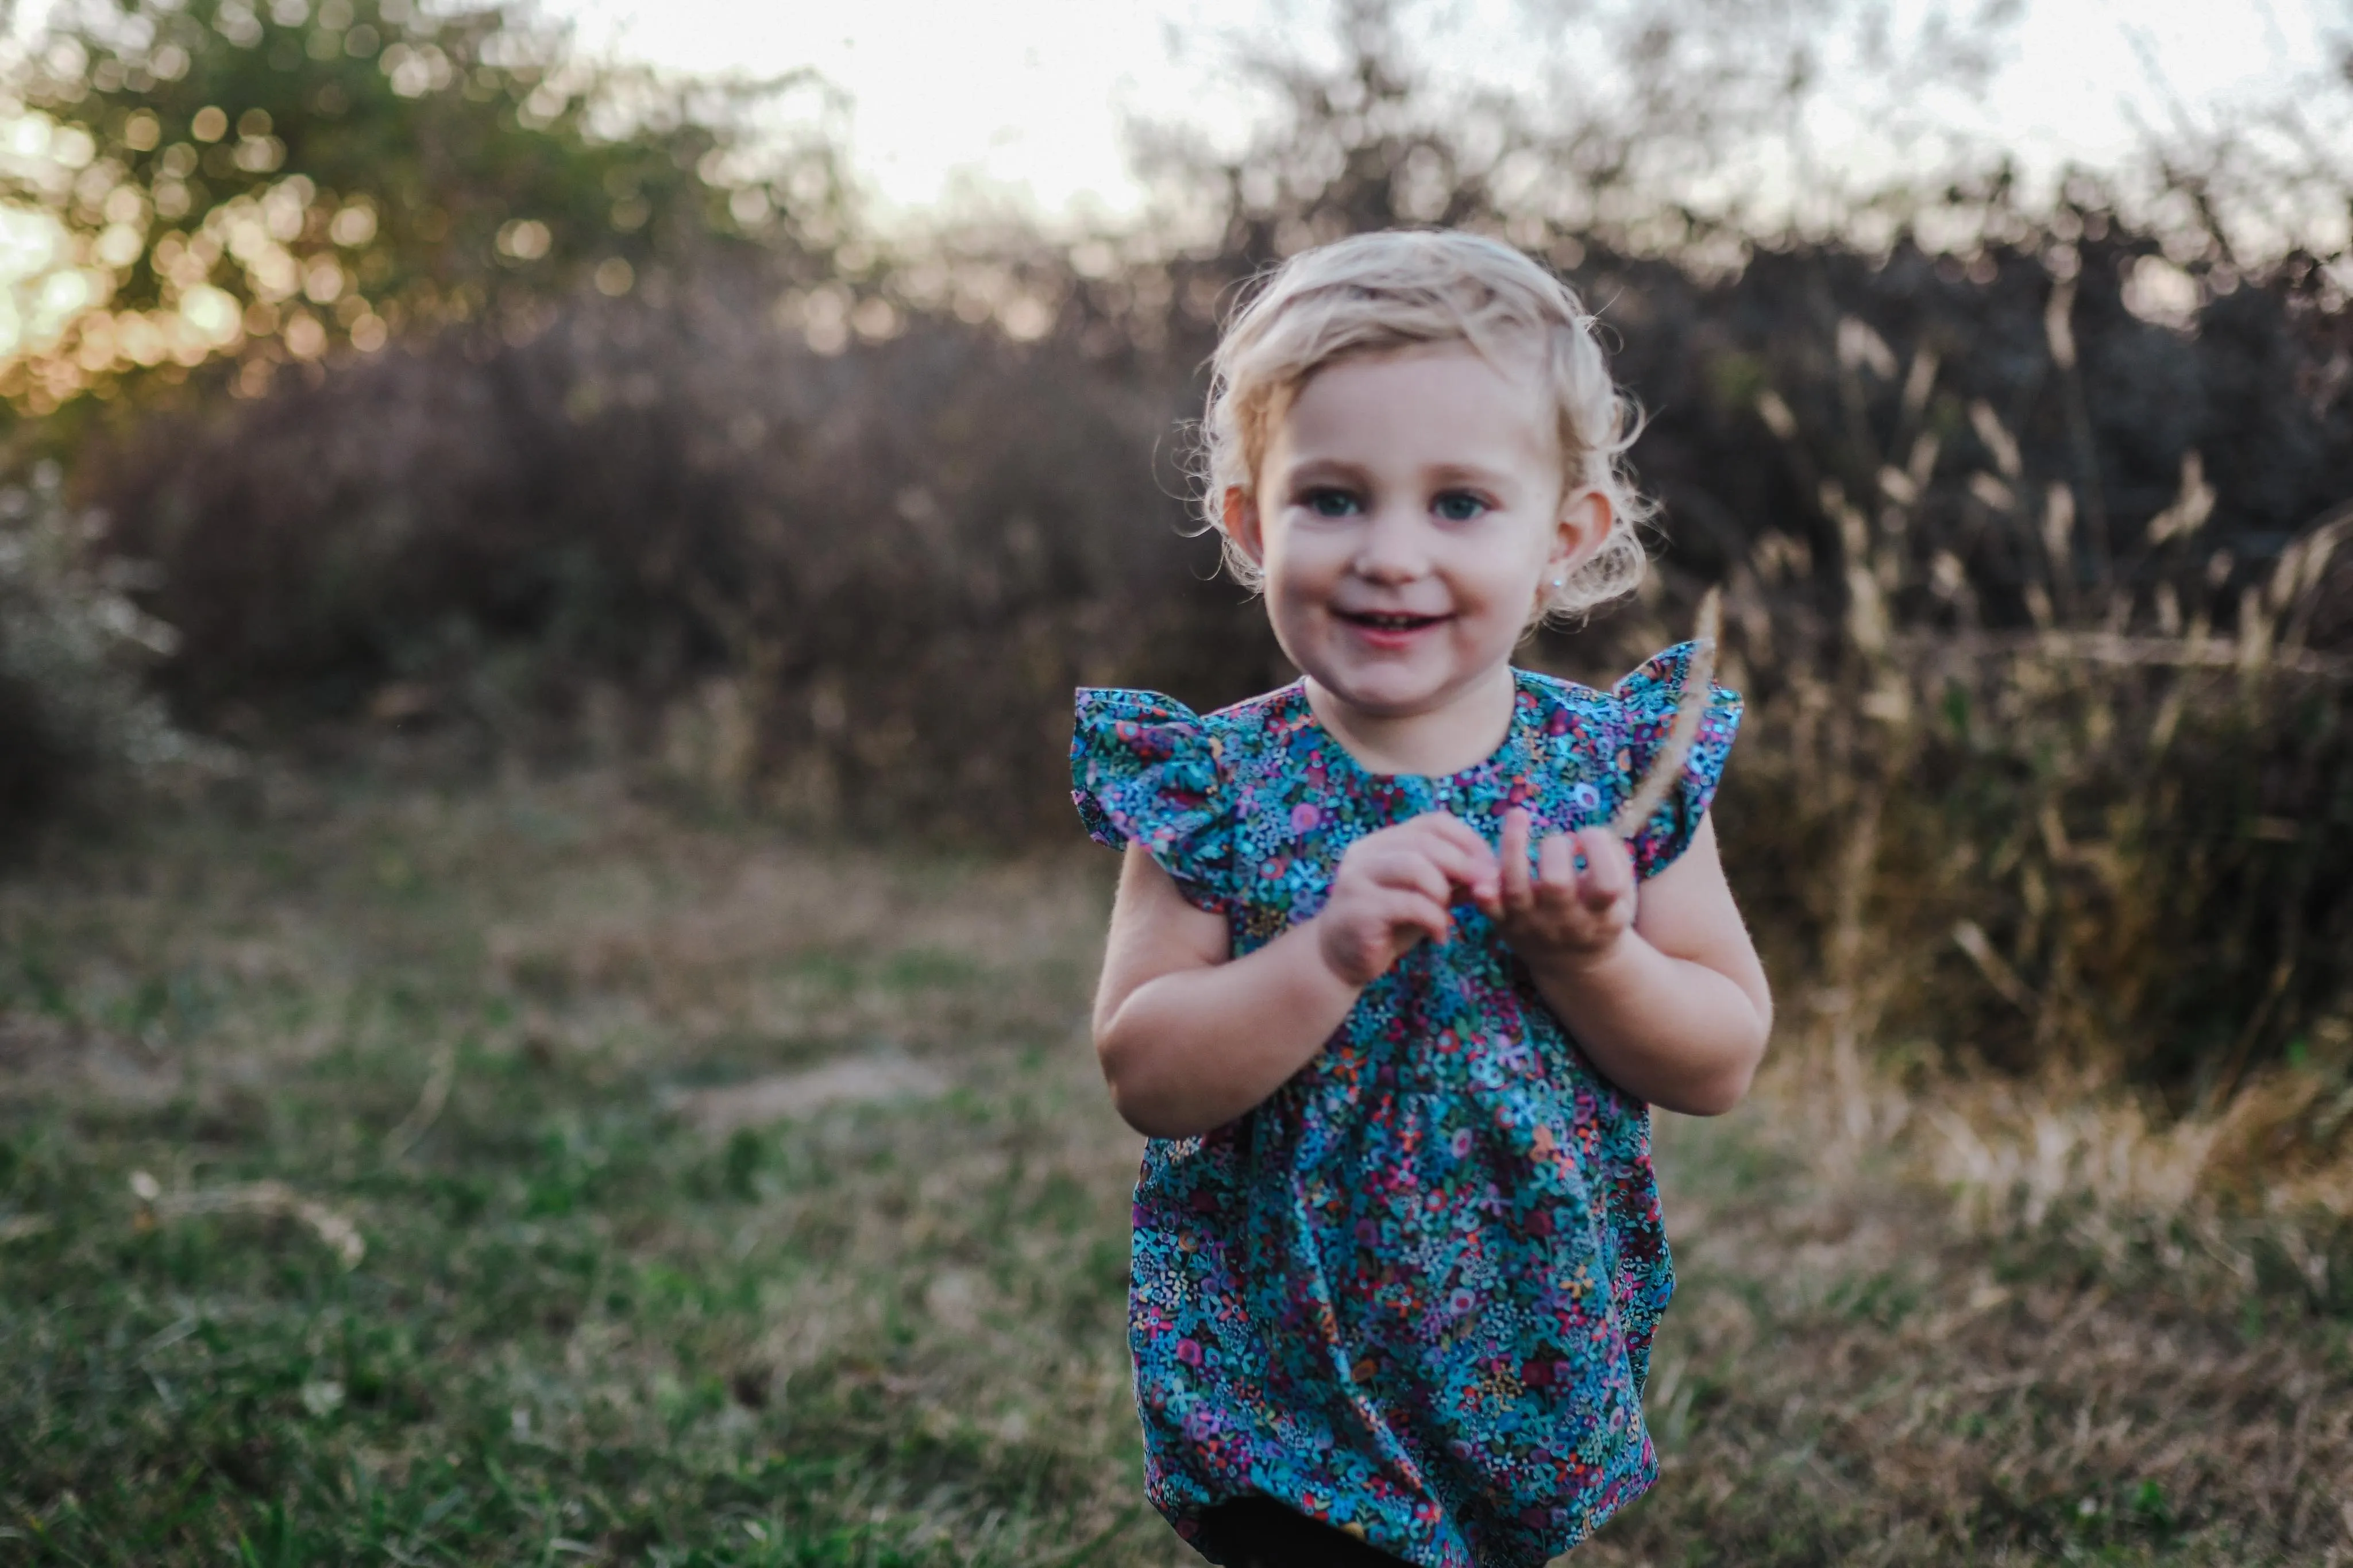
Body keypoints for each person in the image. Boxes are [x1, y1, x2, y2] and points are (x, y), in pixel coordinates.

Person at [1069, 230, 1774, 1567]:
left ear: (1564, 539)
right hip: (1283, 1367)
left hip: (1525, 1348)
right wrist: (1323, 954)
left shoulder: (1613, 777)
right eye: (1332, 498)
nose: (1391, 554)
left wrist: (1592, 961)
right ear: (1247, 522)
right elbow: (1148, 1076)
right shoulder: (1212, 783)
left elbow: (1721, 1057)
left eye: (1458, 504)